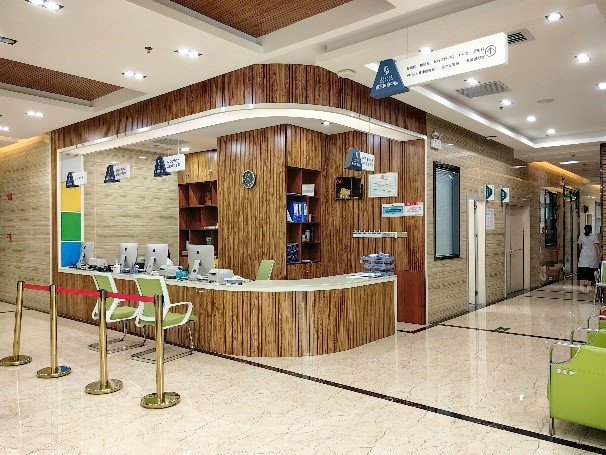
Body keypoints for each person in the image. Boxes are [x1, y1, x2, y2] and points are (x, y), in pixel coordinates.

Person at [577, 225, 601, 293]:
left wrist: (583, 251)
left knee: (583, 269)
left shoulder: (581, 236)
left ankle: (582, 286)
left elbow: (579, 247)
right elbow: (596, 246)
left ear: (584, 229)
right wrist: (599, 254)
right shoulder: (594, 236)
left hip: (584, 254)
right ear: (591, 230)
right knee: (591, 270)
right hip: (592, 254)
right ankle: (589, 285)